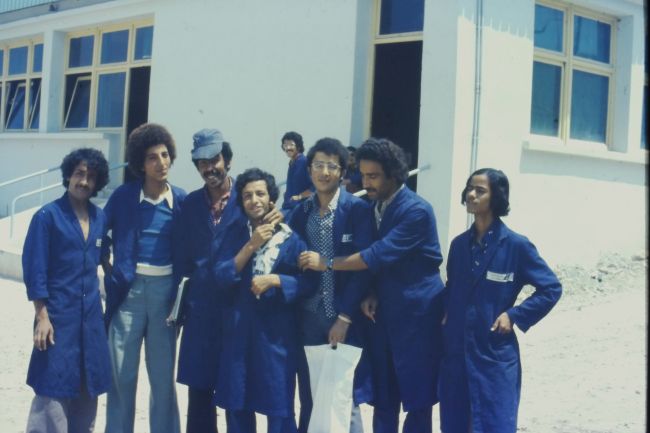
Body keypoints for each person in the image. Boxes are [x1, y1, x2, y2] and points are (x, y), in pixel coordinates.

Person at [299, 137, 445, 433]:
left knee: (417, 399)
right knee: (383, 396)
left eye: (374, 176)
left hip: (417, 315)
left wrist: (326, 262)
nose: (367, 181)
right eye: (363, 175)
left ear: (394, 173)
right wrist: (371, 292)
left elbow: (375, 256)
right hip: (382, 316)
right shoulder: (372, 207)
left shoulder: (416, 210)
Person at [438, 168, 562, 433]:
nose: (471, 194)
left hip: (493, 353)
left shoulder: (516, 246)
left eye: (479, 190)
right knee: (455, 424)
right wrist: (446, 311)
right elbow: (452, 286)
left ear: (496, 197)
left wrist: (514, 315)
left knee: (495, 424)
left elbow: (550, 288)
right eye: (469, 188)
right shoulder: (459, 245)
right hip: (457, 352)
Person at [211, 168, 313, 433]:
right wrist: (251, 245)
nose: (254, 200)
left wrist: (277, 280)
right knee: (237, 405)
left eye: (260, 193)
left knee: (279, 407)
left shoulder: (292, 239)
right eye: (247, 195)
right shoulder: (234, 234)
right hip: (239, 333)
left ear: (271, 199)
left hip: (276, 338)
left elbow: (308, 283)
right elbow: (220, 277)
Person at [103, 123, 186, 433]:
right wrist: (108, 267)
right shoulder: (124, 197)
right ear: (141, 163)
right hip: (129, 293)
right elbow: (99, 233)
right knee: (121, 376)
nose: (161, 162)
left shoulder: (180, 200)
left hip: (165, 296)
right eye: (153, 157)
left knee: (163, 379)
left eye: (165, 155)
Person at [287, 137, 373, 433]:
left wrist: (345, 317)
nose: (324, 172)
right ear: (309, 169)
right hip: (308, 316)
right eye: (319, 165)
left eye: (331, 166)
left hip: (342, 316)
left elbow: (363, 268)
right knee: (310, 397)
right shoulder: (301, 212)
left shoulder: (357, 211)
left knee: (342, 397)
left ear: (342, 172)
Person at [23, 148, 111, 433]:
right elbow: (35, 269)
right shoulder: (47, 217)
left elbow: (104, 260)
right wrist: (42, 316)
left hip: (90, 323)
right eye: (79, 174)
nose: (84, 182)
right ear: (68, 176)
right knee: (52, 390)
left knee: (87, 391)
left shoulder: (100, 218)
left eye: (91, 177)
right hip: (58, 319)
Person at [175, 129, 236, 433]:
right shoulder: (189, 204)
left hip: (237, 313)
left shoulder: (249, 199)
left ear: (228, 159)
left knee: (238, 396)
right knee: (199, 396)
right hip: (199, 315)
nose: (209, 167)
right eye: (202, 162)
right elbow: (182, 257)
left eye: (214, 159)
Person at [280, 131, 313, 210]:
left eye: (291, 145)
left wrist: (300, 196)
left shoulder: (304, 162)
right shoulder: (292, 162)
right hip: (288, 206)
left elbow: (315, 187)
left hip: (300, 209)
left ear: (298, 146)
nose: (288, 148)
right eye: (285, 145)